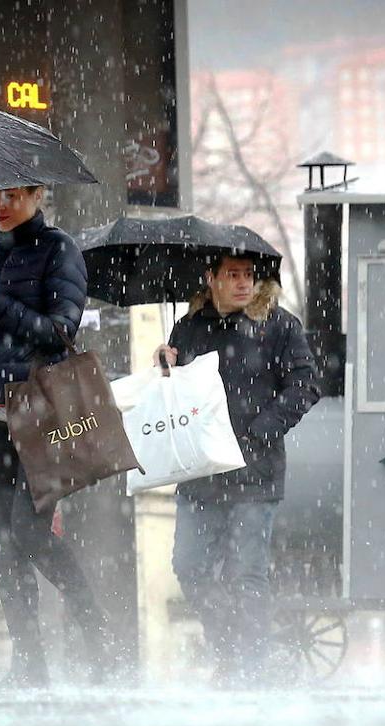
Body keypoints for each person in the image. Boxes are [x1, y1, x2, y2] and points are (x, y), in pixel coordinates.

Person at [0, 185, 115, 688]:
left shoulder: (59, 248)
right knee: (3, 546)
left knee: (29, 534)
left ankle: (98, 635)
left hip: (42, 414)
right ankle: (29, 662)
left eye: (13, 196)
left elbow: (60, 331)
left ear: (39, 194)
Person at [154, 254, 319, 687]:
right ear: (211, 279)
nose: (244, 283)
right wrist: (165, 366)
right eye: (232, 275)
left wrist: (262, 429)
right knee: (189, 566)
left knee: (247, 573)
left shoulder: (278, 325)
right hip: (201, 471)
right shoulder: (189, 328)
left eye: (249, 274)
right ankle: (229, 650)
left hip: (255, 472)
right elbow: (174, 394)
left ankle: (250, 667)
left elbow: (305, 385)